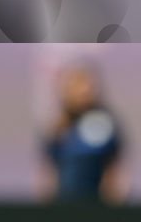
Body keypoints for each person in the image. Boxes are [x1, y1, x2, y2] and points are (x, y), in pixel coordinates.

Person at [40, 61, 128, 204]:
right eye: (77, 85)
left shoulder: (105, 123)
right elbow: (50, 172)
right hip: (64, 204)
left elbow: (114, 169)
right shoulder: (57, 127)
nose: (84, 91)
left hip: (97, 206)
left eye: (87, 85)